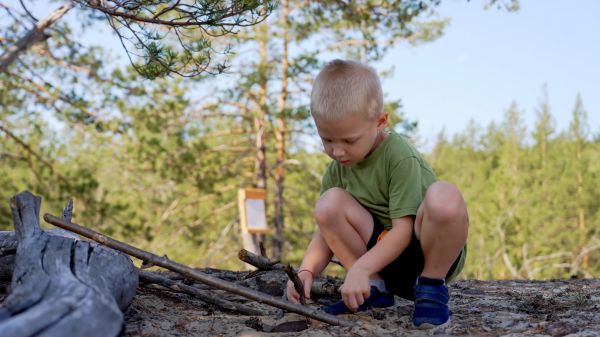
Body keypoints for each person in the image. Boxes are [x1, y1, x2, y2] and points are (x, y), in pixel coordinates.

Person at [286, 59, 469, 329]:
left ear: (380, 121)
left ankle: (431, 289)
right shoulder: (336, 170)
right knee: (328, 204)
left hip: (425, 254)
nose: (337, 151)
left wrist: (361, 267)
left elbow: (403, 231)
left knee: (445, 196)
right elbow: (324, 233)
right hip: (380, 265)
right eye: (327, 140)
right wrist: (305, 271)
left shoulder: (398, 156)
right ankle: (374, 290)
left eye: (349, 140)